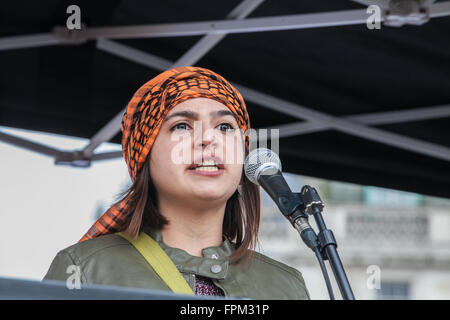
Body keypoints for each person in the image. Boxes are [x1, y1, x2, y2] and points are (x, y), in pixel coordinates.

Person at [43, 66, 310, 300]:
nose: (208, 139)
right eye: (182, 126)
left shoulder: (285, 286)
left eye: (225, 127)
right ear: (144, 154)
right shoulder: (85, 269)